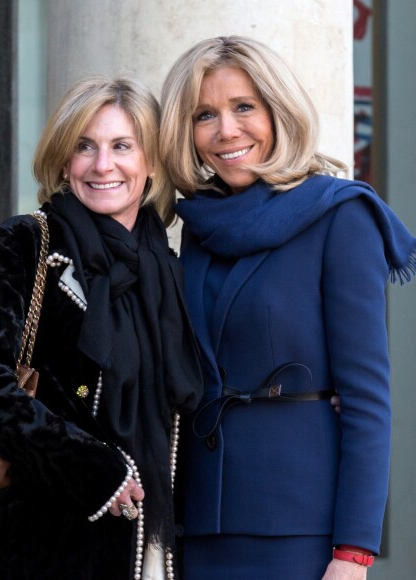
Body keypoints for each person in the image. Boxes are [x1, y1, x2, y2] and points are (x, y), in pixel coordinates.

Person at [159, 35, 416, 579]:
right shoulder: (200, 227)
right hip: (199, 522)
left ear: (279, 110)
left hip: (302, 527)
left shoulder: (340, 217)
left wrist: (353, 553)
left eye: (244, 107)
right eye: (205, 114)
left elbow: (368, 398)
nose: (226, 130)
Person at [0, 75, 203, 580]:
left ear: (151, 162)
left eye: (122, 146)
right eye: (84, 146)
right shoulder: (25, 244)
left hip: (153, 550)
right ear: (64, 159)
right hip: (40, 548)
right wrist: (92, 470)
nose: (102, 165)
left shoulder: (172, 268)